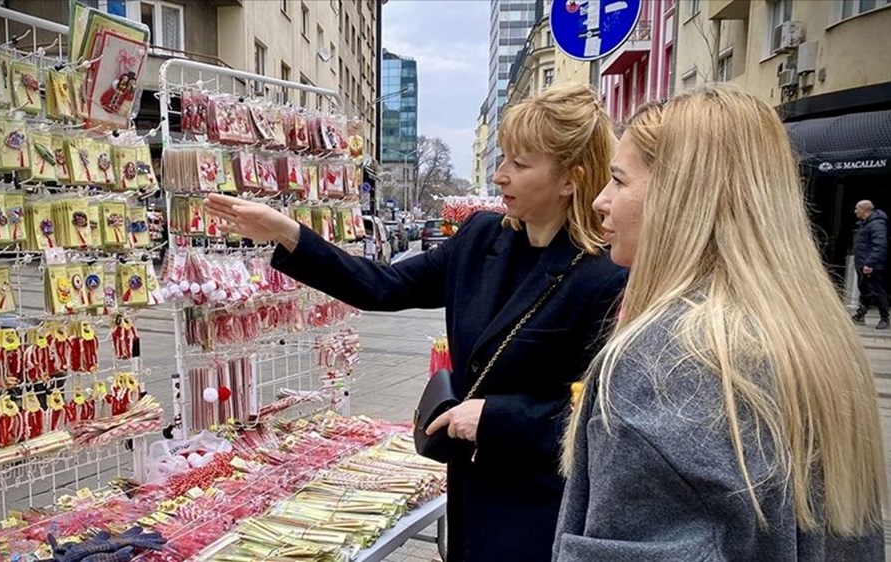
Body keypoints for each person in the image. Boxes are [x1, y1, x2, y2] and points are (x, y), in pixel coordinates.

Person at [206, 82, 627, 561]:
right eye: (503, 157)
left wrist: (498, 417)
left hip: (536, 501)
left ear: (570, 179)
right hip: (469, 482)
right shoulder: (479, 239)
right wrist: (289, 233)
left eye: (520, 163)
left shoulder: (603, 275)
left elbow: (600, 417)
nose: (500, 174)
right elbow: (383, 286)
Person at [553, 86, 886, 561]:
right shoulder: (814, 336)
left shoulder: (665, 362)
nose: (600, 202)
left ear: (683, 195)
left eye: (620, 182)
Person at [852, 200, 889, 330]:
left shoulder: (877, 224)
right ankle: (860, 314)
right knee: (864, 291)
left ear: (864, 209)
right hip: (863, 264)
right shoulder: (865, 224)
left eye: (857, 208)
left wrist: (870, 263)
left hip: (871, 265)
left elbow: (880, 245)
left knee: (877, 291)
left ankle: (885, 318)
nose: (855, 211)